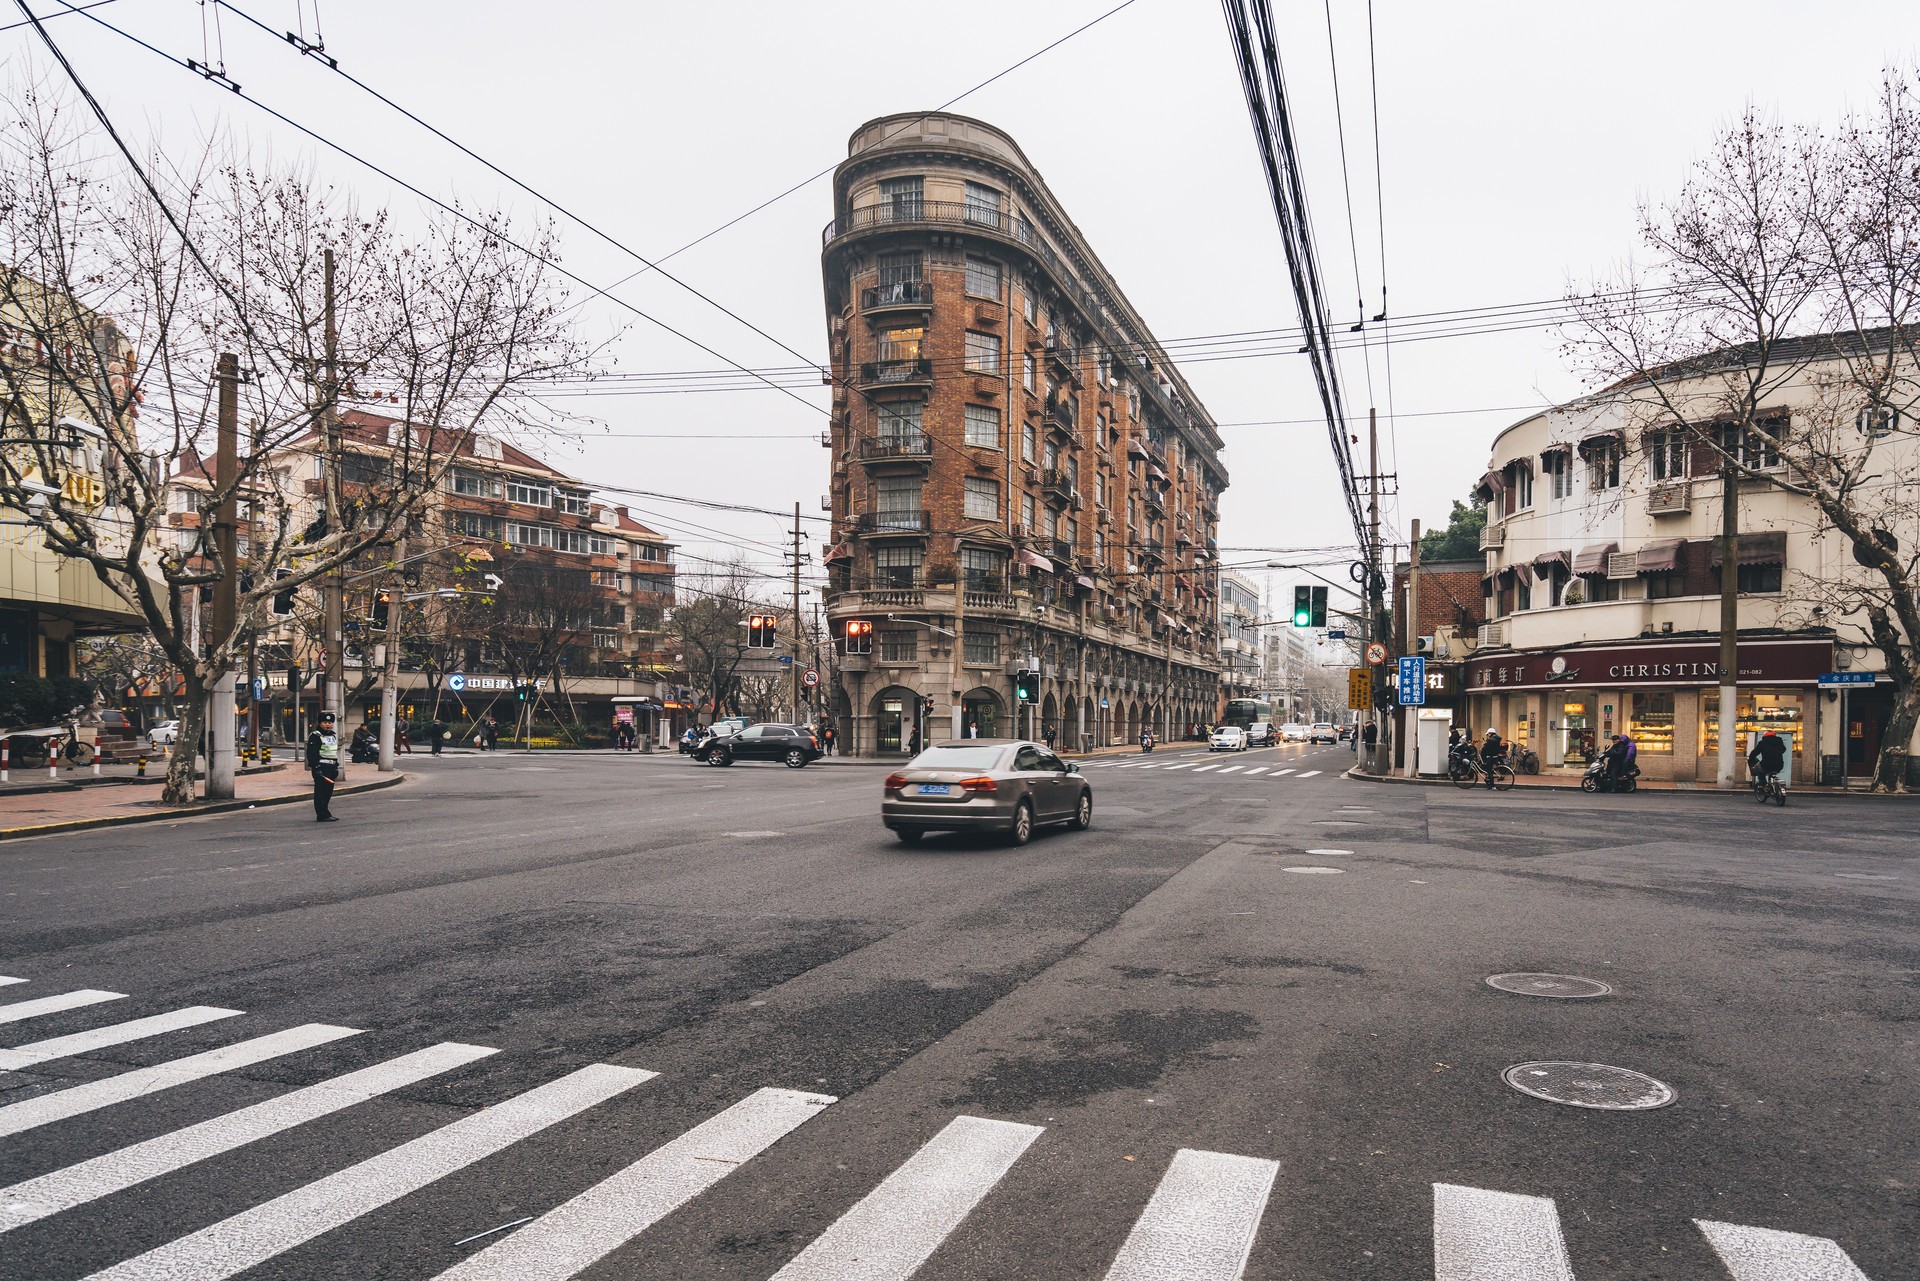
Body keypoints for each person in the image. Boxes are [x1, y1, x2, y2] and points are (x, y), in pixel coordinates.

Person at [306, 710, 341, 822]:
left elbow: (333, 752)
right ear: (320, 723)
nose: (328, 724)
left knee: (328, 792)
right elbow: (312, 753)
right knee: (321, 793)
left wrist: (336, 765)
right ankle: (322, 814)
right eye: (325, 722)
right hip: (322, 768)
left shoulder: (333, 735)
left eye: (330, 723)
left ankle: (325, 812)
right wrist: (316, 768)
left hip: (331, 767)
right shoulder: (316, 736)